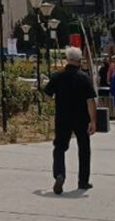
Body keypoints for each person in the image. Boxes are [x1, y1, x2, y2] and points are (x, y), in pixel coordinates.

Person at [42, 46, 97, 194]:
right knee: (84, 149)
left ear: (67, 59)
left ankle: (60, 174)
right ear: (79, 61)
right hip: (81, 118)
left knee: (59, 147)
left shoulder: (57, 76)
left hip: (63, 117)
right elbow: (90, 101)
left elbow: (46, 95)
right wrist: (93, 121)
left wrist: (54, 102)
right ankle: (83, 182)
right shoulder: (84, 78)